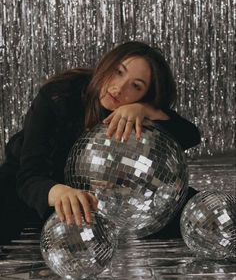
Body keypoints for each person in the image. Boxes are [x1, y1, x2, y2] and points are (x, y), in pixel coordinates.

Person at [0, 41, 201, 244]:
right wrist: (59, 192)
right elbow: (29, 176)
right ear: (106, 65)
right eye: (118, 72)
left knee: (191, 210)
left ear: (144, 95)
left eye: (136, 86)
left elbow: (190, 136)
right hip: (34, 185)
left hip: (95, 198)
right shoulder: (60, 93)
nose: (119, 88)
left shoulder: (135, 112)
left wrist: (145, 110)